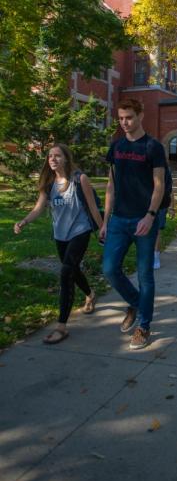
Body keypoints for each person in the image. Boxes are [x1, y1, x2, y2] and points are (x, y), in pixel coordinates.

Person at [13, 144, 102, 345]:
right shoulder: (49, 184)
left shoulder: (80, 179)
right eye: (49, 156)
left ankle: (61, 327)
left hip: (80, 231)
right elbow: (38, 208)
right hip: (60, 235)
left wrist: (103, 229)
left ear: (66, 158)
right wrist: (24, 221)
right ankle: (90, 294)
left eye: (57, 155)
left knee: (65, 272)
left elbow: (93, 208)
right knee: (72, 269)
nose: (52, 159)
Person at [100, 98, 167, 350]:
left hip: (144, 220)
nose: (124, 123)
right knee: (109, 269)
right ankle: (137, 302)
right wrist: (105, 221)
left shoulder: (153, 147)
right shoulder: (116, 147)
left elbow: (158, 185)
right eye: (120, 118)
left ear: (140, 115)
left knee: (145, 275)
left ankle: (144, 325)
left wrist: (150, 215)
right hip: (118, 219)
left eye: (128, 117)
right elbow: (110, 185)